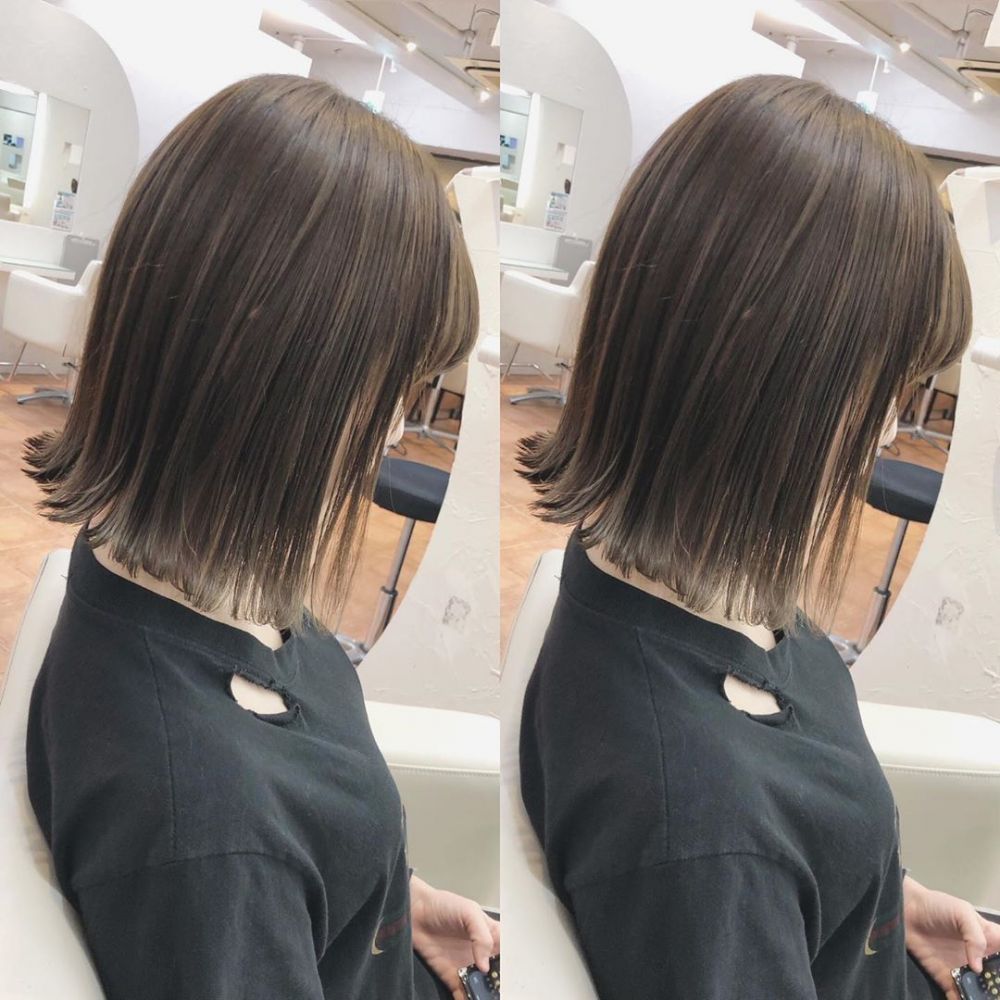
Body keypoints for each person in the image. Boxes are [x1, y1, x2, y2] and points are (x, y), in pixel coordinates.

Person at [517, 74, 998, 1000]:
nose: (888, 432)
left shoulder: (689, 584)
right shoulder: (700, 829)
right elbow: (736, 867)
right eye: (886, 390)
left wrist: (885, 909)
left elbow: (788, 851)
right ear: (774, 382)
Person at [24, 74, 498, 1000]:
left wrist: (394, 907)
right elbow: (246, 860)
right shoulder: (206, 825)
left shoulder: (192, 585)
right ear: (277, 380)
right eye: (391, 388)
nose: (392, 431)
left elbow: (297, 843)